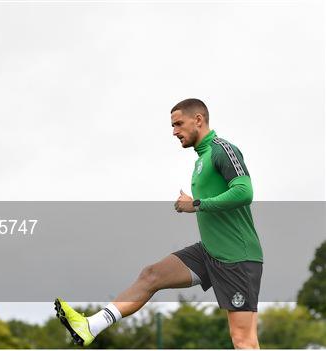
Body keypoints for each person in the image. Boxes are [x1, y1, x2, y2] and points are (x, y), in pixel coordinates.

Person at [55, 98, 263, 349]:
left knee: (243, 340)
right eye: (172, 126)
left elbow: (244, 192)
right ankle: (92, 326)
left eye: (178, 124)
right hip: (209, 250)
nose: (175, 131)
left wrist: (195, 204)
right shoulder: (201, 159)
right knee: (151, 275)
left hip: (236, 257)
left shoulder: (222, 149)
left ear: (198, 120)